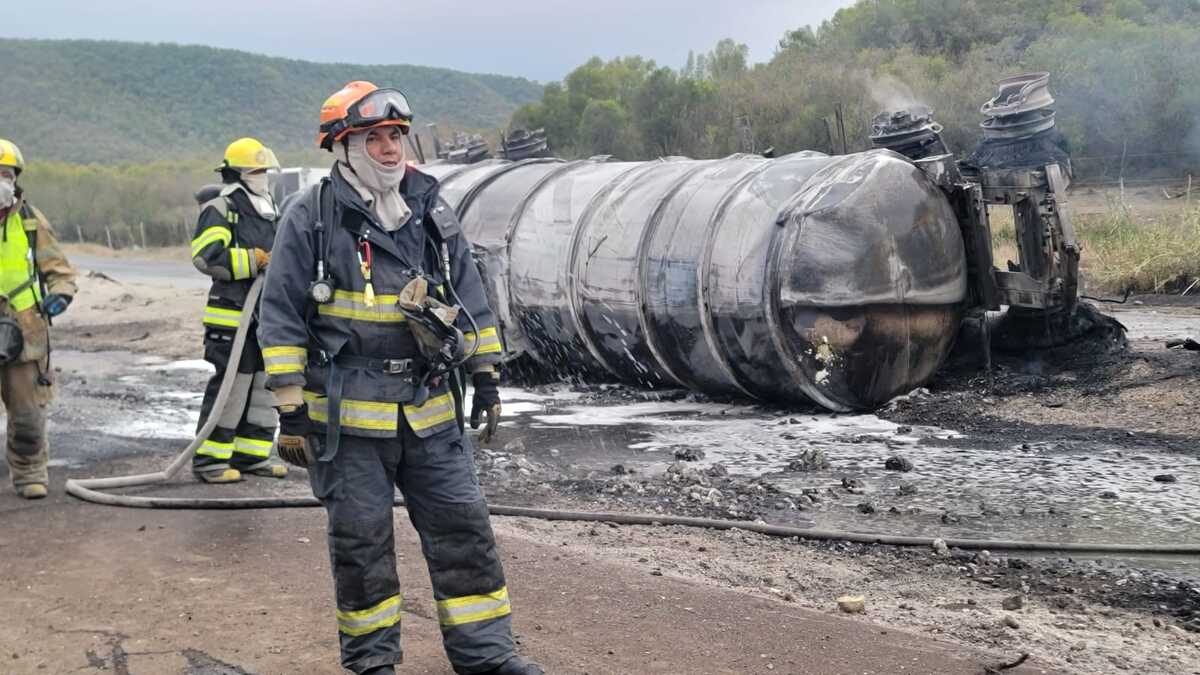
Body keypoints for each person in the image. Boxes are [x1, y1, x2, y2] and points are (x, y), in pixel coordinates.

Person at [258, 81, 538, 675]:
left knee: (464, 531)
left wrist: (485, 373)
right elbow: (280, 314)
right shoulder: (312, 215)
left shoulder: (430, 206)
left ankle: (487, 658)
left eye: (396, 136)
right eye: (374, 137)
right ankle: (372, 664)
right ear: (343, 145)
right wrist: (290, 407)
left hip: (429, 409)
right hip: (346, 422)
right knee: (362, 546)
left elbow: (469, 295)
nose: (390, 149)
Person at [190, 137, 288, 483]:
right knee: (233, 387)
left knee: (264, 386)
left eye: (265, 170)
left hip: (264, 316)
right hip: (232, 315)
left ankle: (252, 456)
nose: (263, 176)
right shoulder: (222, 206)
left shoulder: (268, 206)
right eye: (256, 170)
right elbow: (206, 254)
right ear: (238, 172)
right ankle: (210, 460)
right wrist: (254, 260)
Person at [0, 138, 77, 499]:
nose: (1, 180)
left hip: (25, 331)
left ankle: (29, 472)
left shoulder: (30, 220)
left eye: (6, 174)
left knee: (28, 414)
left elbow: (59, 269)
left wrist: (60, 295)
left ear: (16, 179)